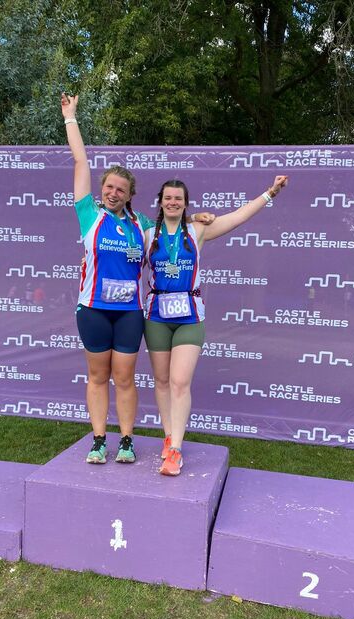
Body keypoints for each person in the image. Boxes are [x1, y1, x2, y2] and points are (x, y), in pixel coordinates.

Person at [61, 93, 213, 465]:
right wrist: (70, 117)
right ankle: (99, 440)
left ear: (130, 196)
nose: (113, 193)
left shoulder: (142, 225)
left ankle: (126, 440)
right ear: (102, 190)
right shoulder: (89, 216)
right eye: (109, 187)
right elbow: (80, 160)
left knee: (125, 378)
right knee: (98, 377)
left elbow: (174, 227)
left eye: (121, 190)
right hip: (93, 309)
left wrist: (200, 220)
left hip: (129, 312)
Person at [144, 176, 288, 475]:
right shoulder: (146, 234)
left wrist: (270, 193)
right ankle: (168, 434)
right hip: (156, 315)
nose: (172, 202)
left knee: (180, 382)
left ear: (185, 204)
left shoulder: (197, 230)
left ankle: (175, 450)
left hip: (189, 317)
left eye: (178, 199)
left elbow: (239, 216)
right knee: (161, 382)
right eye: (168, 197)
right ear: (160, 201)